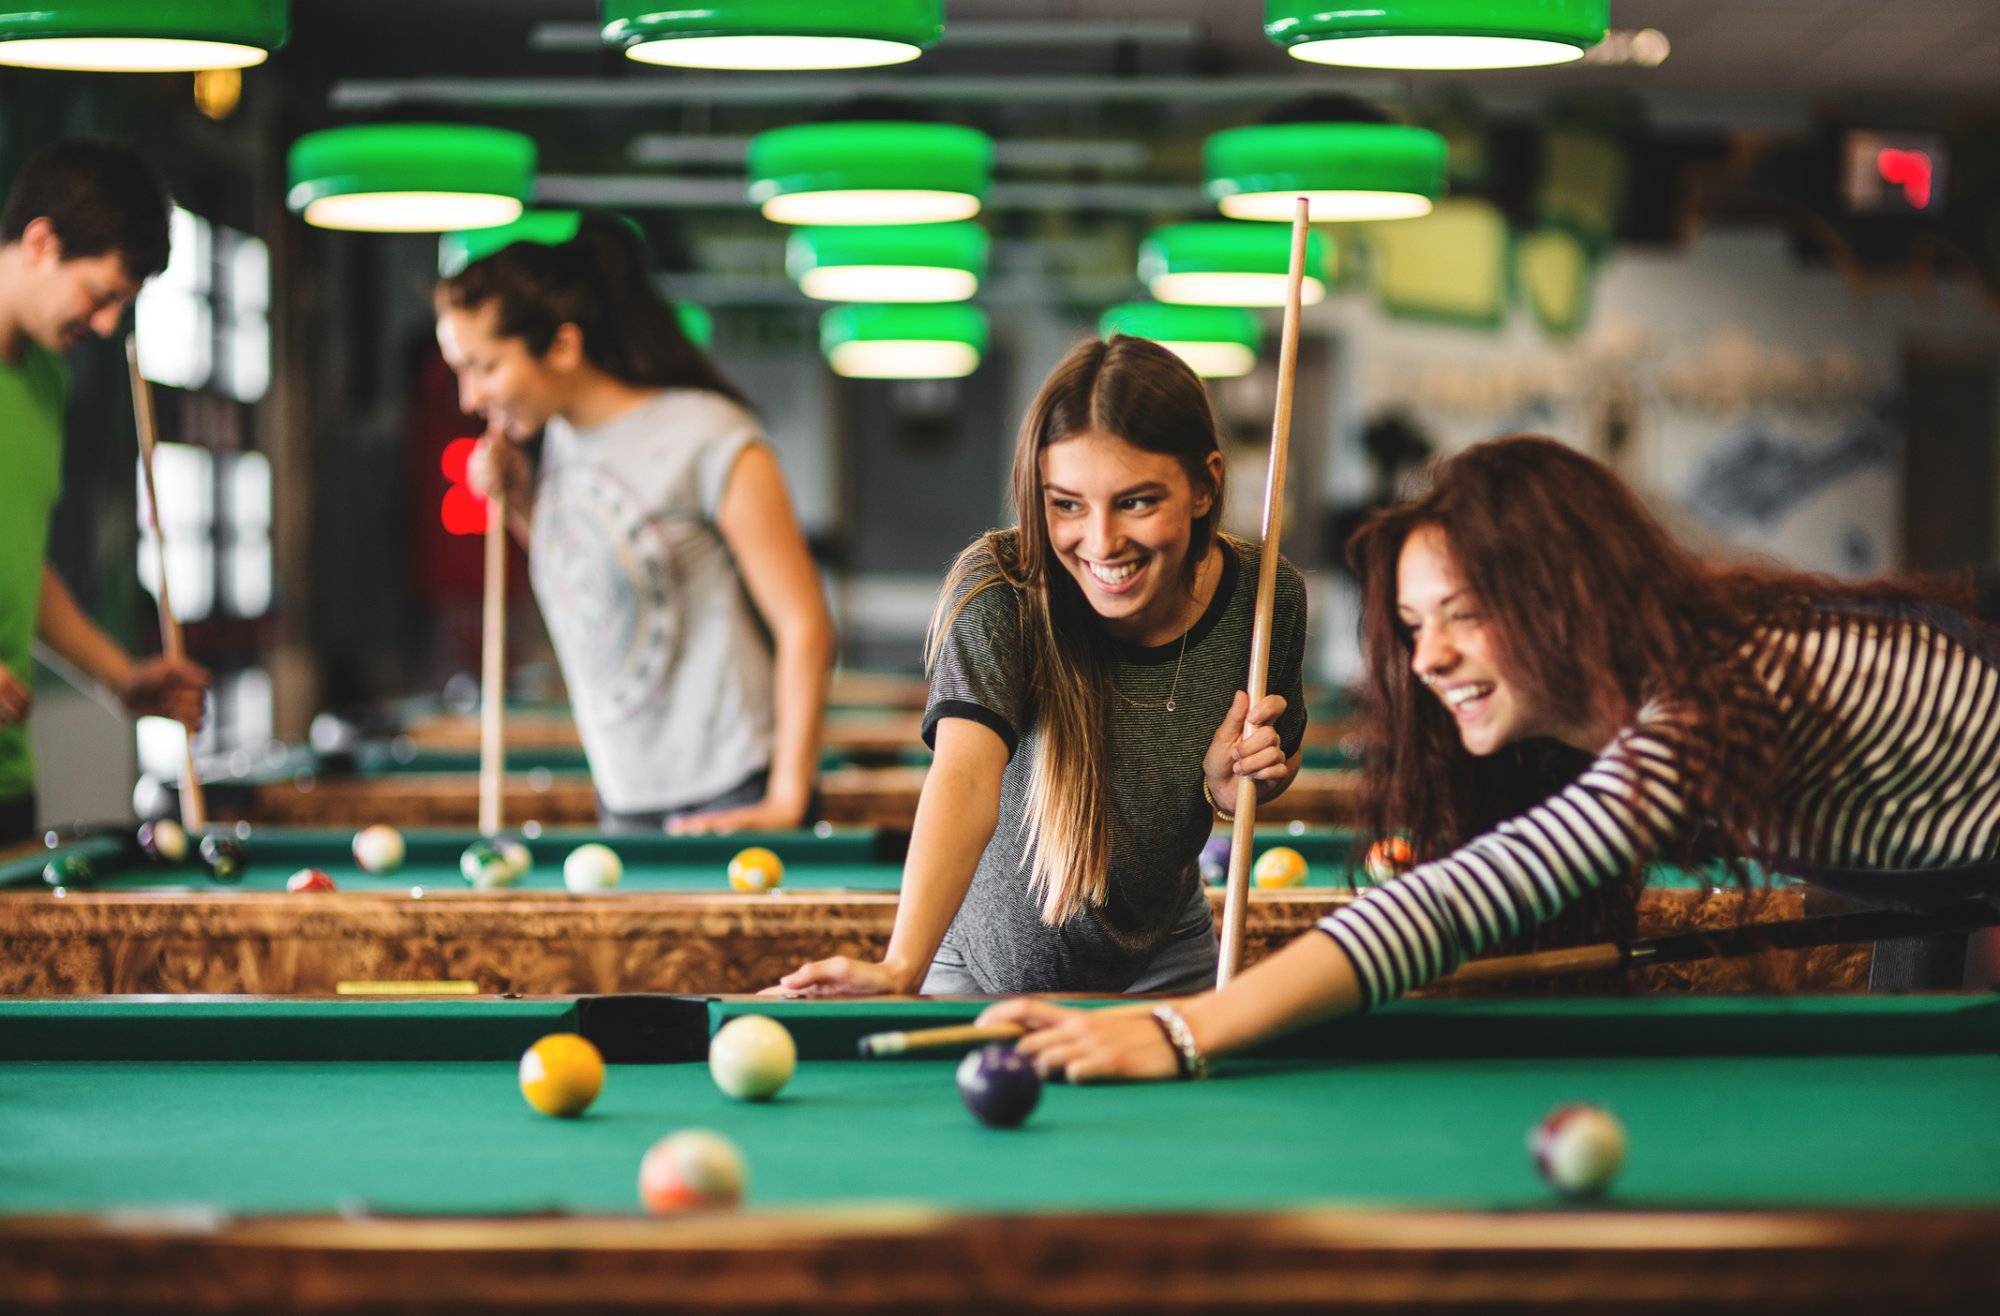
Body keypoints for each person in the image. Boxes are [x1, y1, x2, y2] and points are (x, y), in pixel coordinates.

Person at [987, 434, 2000, 1079]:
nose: (1427, 657)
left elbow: (1453, 901)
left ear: (1561, 601)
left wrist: (1182, 1028)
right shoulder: (1674, 681)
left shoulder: (1715, 697)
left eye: (1463, 614)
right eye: (1413, 623)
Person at [778, 335, 1309, 997]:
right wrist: (899, 968)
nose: (1101, 541)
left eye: (1137, 501)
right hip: (972, 970)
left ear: (1205, 486)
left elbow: (1271, 762)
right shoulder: (999, 587)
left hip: (1166, 965)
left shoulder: (1266, 600)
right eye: (1067, 504)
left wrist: (1234, 788)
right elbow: (965, 776)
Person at [435, 215, 834, 834]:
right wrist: (518, 503)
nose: (468, 398)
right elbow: (587, 573)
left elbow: (805, 622)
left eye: (484, 367)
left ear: (563, 347)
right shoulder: (559, 441)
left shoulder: (708, 434)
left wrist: (785, 798)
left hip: (733, 790)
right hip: (624, 794)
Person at [0, 139, 209, 847]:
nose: (107, 325)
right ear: (39, 242)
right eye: (101, 295)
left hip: (11, 782)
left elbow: (19, 565)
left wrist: (120, 676)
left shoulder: (44, 379)